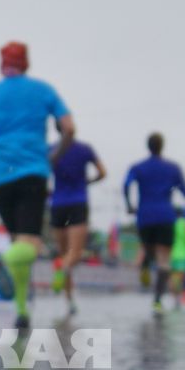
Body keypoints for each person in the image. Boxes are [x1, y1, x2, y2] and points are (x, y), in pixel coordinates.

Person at [0, 40, 75, 328]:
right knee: (28, 245)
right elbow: (69, 128)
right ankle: (4, 263)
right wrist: (54, 158)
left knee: (18, 241)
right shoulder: (44, 90)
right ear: (26, 62)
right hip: (33, 171)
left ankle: (21, 311)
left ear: (2, 63)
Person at [120, 132, 185, 312]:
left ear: (148, 146)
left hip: (144, 215)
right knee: (164, 260)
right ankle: (157, 300)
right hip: (166, 216)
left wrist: (129, 204)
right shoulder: (173, 168)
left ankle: (145, 264)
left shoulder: (138, 167)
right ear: (162, 146)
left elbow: (126, 185)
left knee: (148, 249)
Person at [46, 132, 105, 310]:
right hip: (78, 203)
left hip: (57, 204)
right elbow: (102, 172)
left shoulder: (50, 149)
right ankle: (61, 271)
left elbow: (41, 175)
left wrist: (50, 192)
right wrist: (87, 182)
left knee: (64, 254)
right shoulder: (85, 149)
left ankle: (69, 301)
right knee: (74, 255)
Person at [169, 214, 185, 307]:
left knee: (174, 278)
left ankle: (175, 298)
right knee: (181, 279)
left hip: (171, 255)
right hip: (183, 256)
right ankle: (178, 298)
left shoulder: (171, 223)